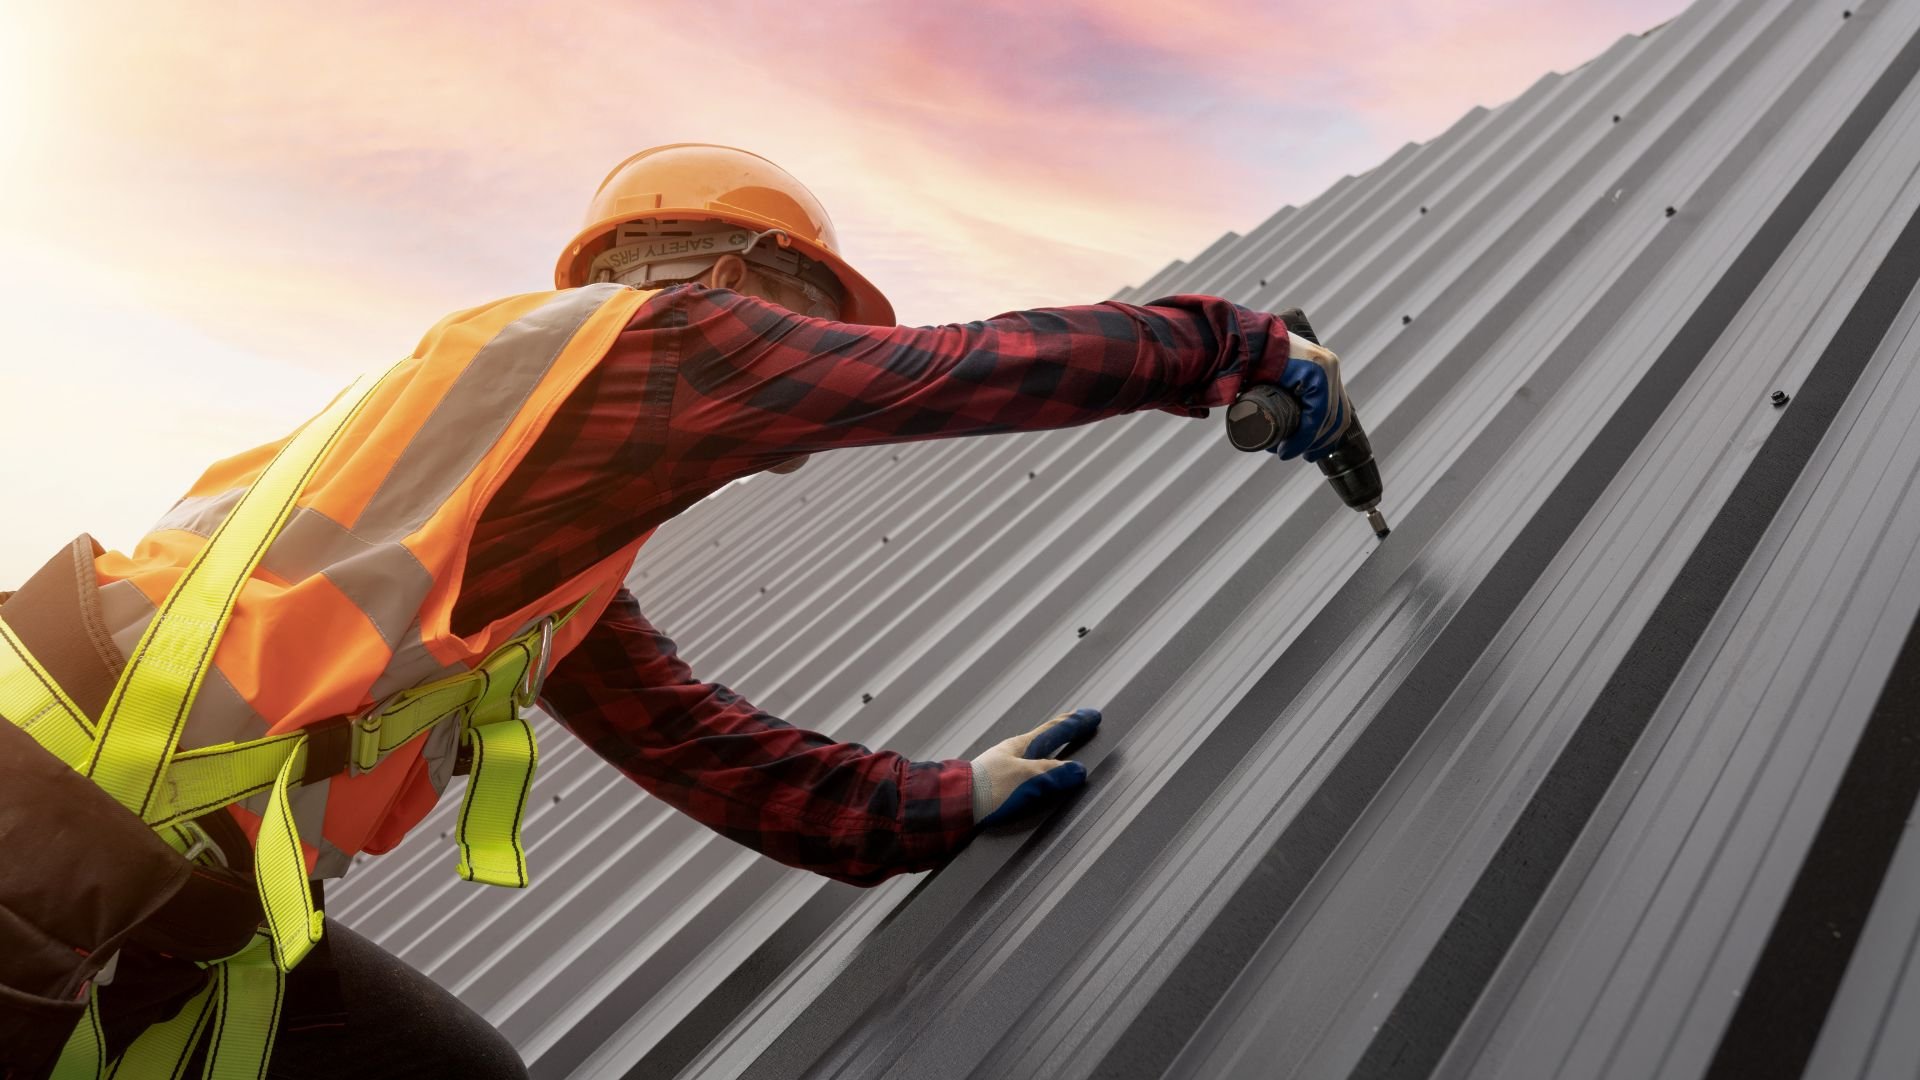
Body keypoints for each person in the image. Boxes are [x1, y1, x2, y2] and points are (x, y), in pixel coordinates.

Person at [0, 143, 1350, 1079]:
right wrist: (1231, 348)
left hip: (145, 882)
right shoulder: (650, 343)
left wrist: (930, 806)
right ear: (727, 278)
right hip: (43, 831)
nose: (806, 383)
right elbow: (942, 373)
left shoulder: (529, 518)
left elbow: (689, 741)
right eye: (809, 318)